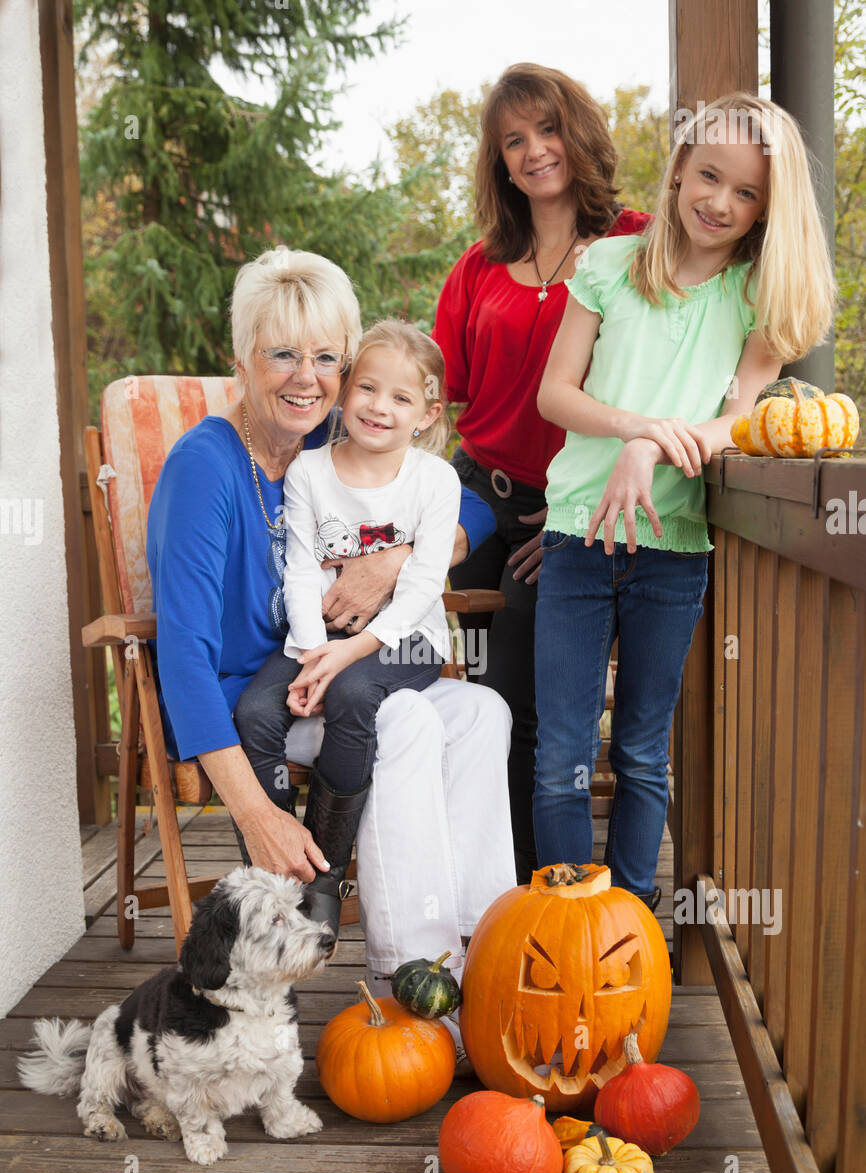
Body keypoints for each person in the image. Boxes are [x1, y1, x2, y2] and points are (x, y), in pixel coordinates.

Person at [146, 248, 516, 1025]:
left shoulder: (328, 447)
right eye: (282, 354)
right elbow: (181, 658)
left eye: (325, 358)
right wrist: (257, 813)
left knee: (485, 714)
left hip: (341, 683)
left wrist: (394, 562)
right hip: (259, 711)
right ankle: (411, 986)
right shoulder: (205, 469)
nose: (305, 377)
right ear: (242, 360)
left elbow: (472, 507)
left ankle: (489, 948)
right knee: (407, 719)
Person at [533, 92, 835, 909]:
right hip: (579, 538)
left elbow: (739, 422)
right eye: (709, 175)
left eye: (746, 194)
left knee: (640, 753)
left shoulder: (752, 298)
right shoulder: (605, 267)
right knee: (561, 753)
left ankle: (628, 932)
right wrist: (636, 427)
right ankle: (566, 924)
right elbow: (555, 396)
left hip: (676, 548)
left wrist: (648, 446)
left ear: (766, 211)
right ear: (677, 172)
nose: (720, 202)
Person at [433, 62, 651, 883]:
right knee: (483, 701)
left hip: (569, 506)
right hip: (473, 503)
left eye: (547, 129)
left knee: (541, 714)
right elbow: (438, 392)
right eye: (513, 140)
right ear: (499, 160)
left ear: (579, 133)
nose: (533, 151)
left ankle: (545, 897)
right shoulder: (480, 264)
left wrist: (566, 517)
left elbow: (660, 366)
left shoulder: (635, 239)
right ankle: (488, 885)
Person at [233, 319, 460, 934]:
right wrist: (312, 653)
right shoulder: (311, 471)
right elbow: (302, 570)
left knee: (356, 694)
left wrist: (349, 654)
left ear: (428, 413)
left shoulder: (435, 480)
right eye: (367, 388)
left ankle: (327, 874)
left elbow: (420, 586)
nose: (379, 407)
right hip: (320, 634)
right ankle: (278, 876)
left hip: (403, 638)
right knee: (255, 710)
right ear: (346, 391)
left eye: (401, 397)